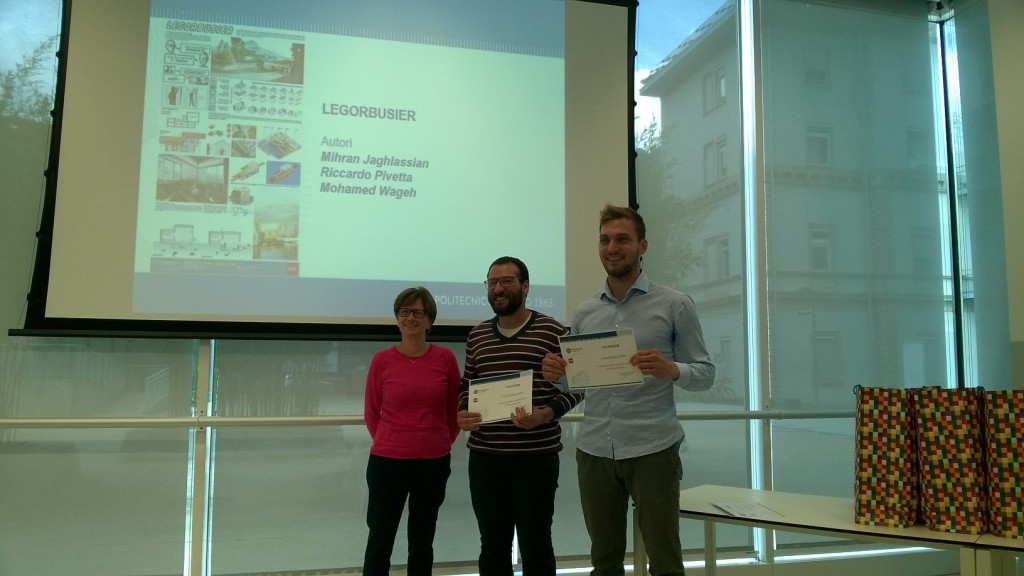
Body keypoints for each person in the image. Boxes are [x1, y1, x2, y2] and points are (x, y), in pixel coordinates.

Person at [542, 205, 715, 576]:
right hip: (594, 451)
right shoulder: (585, 311)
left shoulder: (674, 304)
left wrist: (672, 369)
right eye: (605, 240)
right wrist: (557, 374)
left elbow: (706, 373)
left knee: (665, 561)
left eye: (622, 239)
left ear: (643, 246)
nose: (612, 248)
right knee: (604, 563)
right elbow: (579, 382)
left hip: (652, 450)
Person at [457, 256, 583, 576]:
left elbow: (578, 387)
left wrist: (545, 414)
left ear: (525, 287)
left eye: (506, 282)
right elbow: (466, 385)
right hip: (485, 460)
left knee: (535, 545)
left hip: (535, 459)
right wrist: (462, 412)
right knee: (492, 547)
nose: (498, 289)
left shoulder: (553, 331)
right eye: (492, 282)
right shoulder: (477, 336)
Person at [363, 286, 462, 576]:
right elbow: (372, 412)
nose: (410, 318)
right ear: (397, 318)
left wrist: (437, 441)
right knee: (380, 538)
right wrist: (393, 441)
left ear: (430, 320)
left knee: (422, 540)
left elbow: (454, 411)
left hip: (432, 463)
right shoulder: (381, 360)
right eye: (404, 312)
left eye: (418, 312)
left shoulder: (445, 359)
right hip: (387, 463)